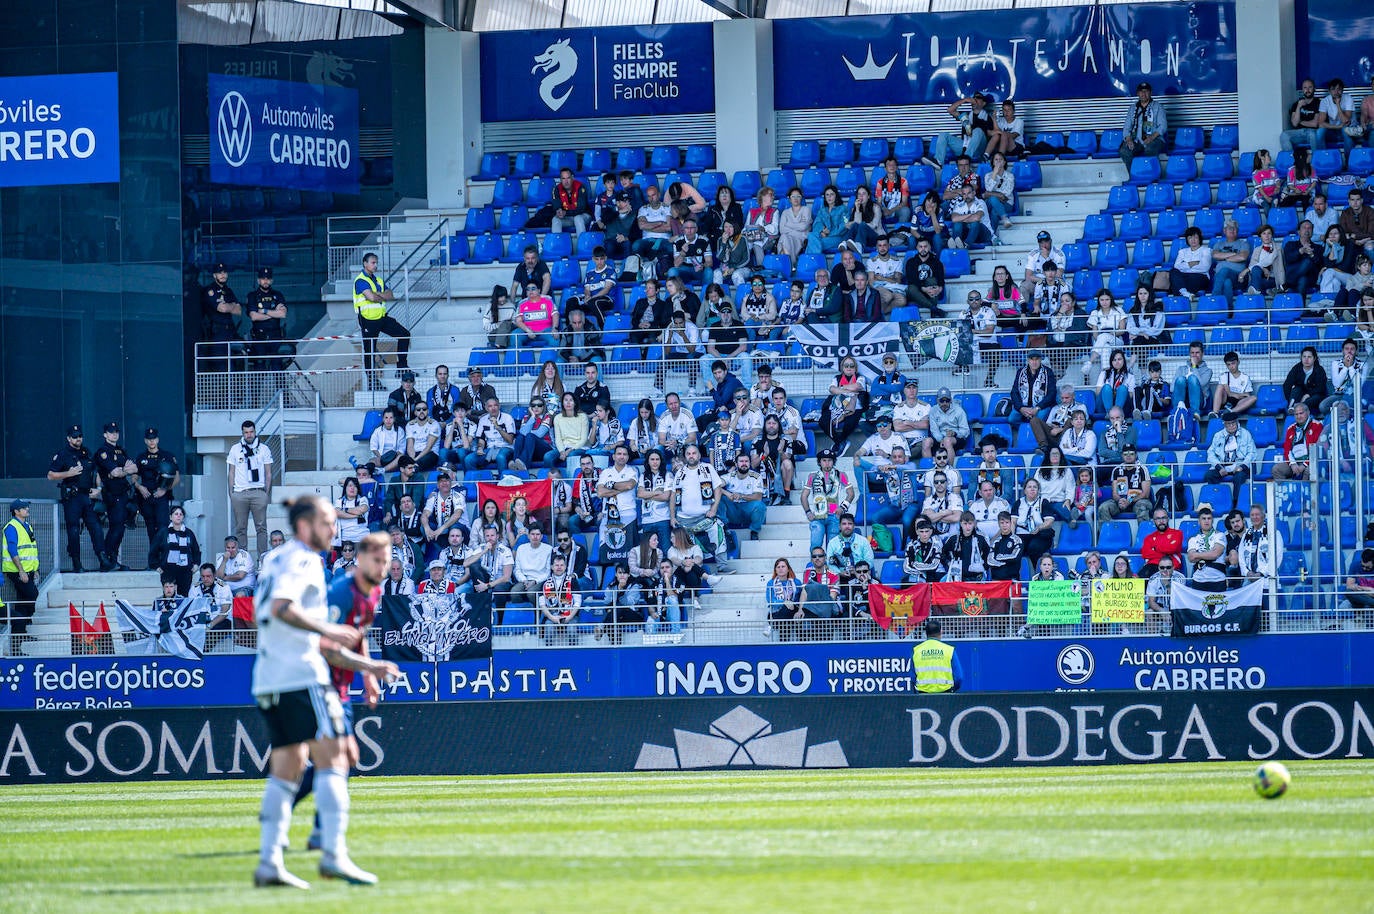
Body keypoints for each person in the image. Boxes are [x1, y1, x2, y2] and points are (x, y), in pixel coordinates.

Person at [250, 496, 383, 888]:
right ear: (306, 526)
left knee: (287, 771)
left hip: (268, 675)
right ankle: (333, 855)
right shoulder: (303, 559)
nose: (333, 529)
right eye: (327, 522)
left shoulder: (275, 558)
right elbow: (281, 607)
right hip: (301, 674)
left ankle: (269, 861)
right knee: (339, 758)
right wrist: (328, 629)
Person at [48, 424, 112, 573]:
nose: (78, 439)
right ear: (69, 438)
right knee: (74, 530)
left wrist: (99, 489)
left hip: (87, 496)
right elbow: (50, 475)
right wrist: (68, 474)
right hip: (72, 497)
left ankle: (103, 559)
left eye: (80, 436)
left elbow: (94, 472)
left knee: (95, 527)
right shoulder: (63, 454)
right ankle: (77, 563)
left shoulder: (86, 451)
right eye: (75, 437)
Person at [353, 252, 408, 391]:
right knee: (369, 350)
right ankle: (372, 382)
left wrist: (378, 295)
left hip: (382, 317)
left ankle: (402, 367)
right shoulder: (360, 280)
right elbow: (371, 297)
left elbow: (391, 295)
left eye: (376, 262)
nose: (375, 265)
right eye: (373, 262)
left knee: (404, 334)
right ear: (365, 263)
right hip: (368, 320)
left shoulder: (378, 280)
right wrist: (379, 295)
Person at [226, 419, 273, 559]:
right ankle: (243, 559)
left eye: (251, 432)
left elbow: (268, 472)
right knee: (240, 528)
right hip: (240, 492)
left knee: (261, 528)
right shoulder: (235, 449)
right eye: (246, 432)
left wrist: (266, 493)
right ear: (242, 433)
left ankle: (262, 558)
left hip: (258, 491)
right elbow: (231, 472)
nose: (249, 435)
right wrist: (231, 493)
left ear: (255, 432)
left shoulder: (264, 449)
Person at [2, 499, 40, 646]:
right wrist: (22, 571)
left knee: (23, 600)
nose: (27, 510)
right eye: (23, 508)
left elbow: (31, 549)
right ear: (16, 511)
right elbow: (12, 550)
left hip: (29, 570)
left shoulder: (27, 526)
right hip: (17, 570)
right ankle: (23, 625)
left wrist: (34, 569)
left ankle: (21, 632)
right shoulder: (11, 526)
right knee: (32, 595)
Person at [802, 449, 854, 551]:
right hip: (817, 516)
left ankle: (832, 567)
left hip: (834, 516)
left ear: (833, 461)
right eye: (824, 460)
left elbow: (851, 493)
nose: (827, 463)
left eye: (829, 460)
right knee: (815, 545)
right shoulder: (812, 476)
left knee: (833, 547)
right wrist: (808, 512)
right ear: (819, 462)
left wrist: (842, 508)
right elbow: (803, 496)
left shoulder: (841, 475)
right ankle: (814, 566)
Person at [1203, 411, 1256, 503]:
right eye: (1228, 424)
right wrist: (1219, 467)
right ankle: (1218, 500)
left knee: (1239, 477)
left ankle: (1237, 502)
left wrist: (1242, 466)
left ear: (1237, 422)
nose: (1231, 426)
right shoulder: (1218, 436)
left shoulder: (1246, 434)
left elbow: (1252, 453)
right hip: (1223, 465)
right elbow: (1210, 453)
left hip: (1240, 464)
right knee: (1209, 475)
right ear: (1224, 424)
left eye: (1233, 423)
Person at [150, 504, 200, 596]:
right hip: (168, 570)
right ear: (170, 517)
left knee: (184, 596)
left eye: (181, 514)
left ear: (183, 517)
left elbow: (196, 550)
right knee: (169, 595)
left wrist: (196, 564)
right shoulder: (163, 532)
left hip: (185, 571)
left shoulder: (189, 533)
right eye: (176, 514)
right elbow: (153, 550)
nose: (178, 516)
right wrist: (156, 566)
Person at [931, 94, 994, 165]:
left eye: (978, 98)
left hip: (979, 148)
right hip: (965, 145)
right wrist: (964, 100)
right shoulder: (966, 115)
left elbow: (992, 134)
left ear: (984, 103)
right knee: (943, 135)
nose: (975, 99)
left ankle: (966, 159)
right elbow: (950, 110)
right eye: (974, 98)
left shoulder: (988, 117)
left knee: (978, 130)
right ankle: (939, 161)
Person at [1119, 81, 1167, 169]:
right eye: (1141, 91)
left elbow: (1163, 126)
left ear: (1150, 93)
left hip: (1155, 140)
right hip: (1137, 141)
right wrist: (1129, 139)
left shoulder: (1158, 107)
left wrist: (1151, 137)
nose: (1143, 94)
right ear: (1138, 93)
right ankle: (1134, 175)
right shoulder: (1133, 108)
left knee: (1150, 149)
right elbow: (1126, 128)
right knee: (1124, 150)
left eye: (1146, 91)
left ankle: (1150, 175)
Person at [1272, 401, 1324, 481]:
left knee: (1309, 470)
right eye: (1296, 414)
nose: (1299, 416)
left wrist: (1304, 465)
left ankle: (1304, 492)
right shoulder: (1290, 429)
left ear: (1308, 412)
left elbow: (1316, 449)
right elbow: (1287, 449)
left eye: (1301, 413)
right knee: (1277, 469)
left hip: (1311, 461)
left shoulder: (1317, 426)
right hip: (1295, 462)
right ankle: (1286, 492)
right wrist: (1292, 464)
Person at [1154, 227, 1212, 297]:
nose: (1193, 240)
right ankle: (1185, 293)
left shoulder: (1207, 251)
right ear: (1187, 239)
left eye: (1195, 237)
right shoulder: (1182, 251)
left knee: (1176, 284)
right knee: (1173, 271)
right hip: (1184, 278)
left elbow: (1204, 267)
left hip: (1200, 277)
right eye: (1190, 238)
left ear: (1200, 238)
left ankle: (1182, 293)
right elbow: (1177, 267)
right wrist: (1191, 264)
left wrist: (1185, 266)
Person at [1009, 350, 1057, 430]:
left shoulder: (1048, 372)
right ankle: (1025, 431)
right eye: (1032, 359)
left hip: (1041, 407)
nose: (1034, 362)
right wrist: (1021, 408)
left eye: (1037, 359)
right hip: (1024, 407)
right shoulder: (1020, 372)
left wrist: (1037, 408)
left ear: (1041, 360)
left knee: (1038, 418)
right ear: (1028, 360)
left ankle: (1034, 432)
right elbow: (1014, 392)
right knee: (1011, 419)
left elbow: (1051, 394)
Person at [1186, 505, 1228, 594]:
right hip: (1198, 579)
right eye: (1203, 518)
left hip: (1218, 579)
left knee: (1219, 608)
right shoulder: (1193, 539)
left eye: (1209, 518)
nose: (1206, 521)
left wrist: (1198, 554)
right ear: (1199, 521)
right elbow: (1191, 558)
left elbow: (1215, 554)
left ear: (1212, 521)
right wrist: (1209, 554)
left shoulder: (1220, 535)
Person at [912, 618, 962, 693]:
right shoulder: (949, 650)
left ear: (926, 633)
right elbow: (959, 677)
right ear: (941, 631)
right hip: (946, 694)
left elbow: (912, 677)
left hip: (923, 696)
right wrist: (952, 690)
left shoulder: (916, 651)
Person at [1139, 506, 1184, 580]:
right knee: (1140, 578)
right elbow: (1145, 553)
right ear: (1154, 521)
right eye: (1158, 518)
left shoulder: (1177, 533)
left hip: (1171, 567)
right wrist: (1166, 554)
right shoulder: (1148, 538)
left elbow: (1173, 548)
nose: (1161, 521)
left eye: (1164, 518)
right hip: (1151, 567)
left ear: (1168, 519)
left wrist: (1155, 548)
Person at [928, 388, 970, 463]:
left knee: (947, 440)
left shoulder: (959, 410)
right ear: (937, 401)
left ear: (950, 400)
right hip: (940, 438)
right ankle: (928, 471)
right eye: (942, 401)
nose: (944, 403)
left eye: (947, 400)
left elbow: (966, 431)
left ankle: (950, 470)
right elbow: (934, 430)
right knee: (926, 442)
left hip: (956, 438)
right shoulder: (933, 410)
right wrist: (941, 439)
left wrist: (955, 433)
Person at [1281, 78, 1323, 151]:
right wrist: (1299, 107)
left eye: (1310, 87)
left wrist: (1300, 121)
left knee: (1312, 134)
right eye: (1305, 88)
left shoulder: (1319, 103)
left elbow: (1315, 124)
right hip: (1299, 133)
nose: (1307, 90)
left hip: (1313, 132)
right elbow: (1294, 123)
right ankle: (1292, 160)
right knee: (1284, 135)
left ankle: (1316, 160)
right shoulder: (1296, 104)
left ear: (1314, 89)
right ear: (1302, 90)